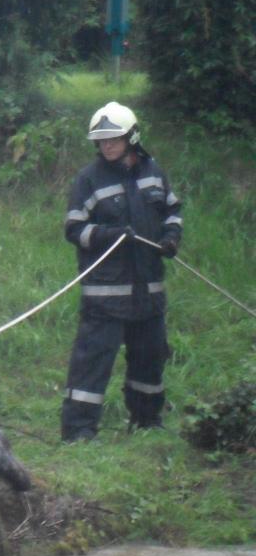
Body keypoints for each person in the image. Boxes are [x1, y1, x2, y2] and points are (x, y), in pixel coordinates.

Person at [61, 102, 182, 442]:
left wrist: (171, 238)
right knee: (92, 363)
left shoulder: (154, 173)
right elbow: (74, 229)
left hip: (149, 291)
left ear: (132, 138)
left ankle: (146, 421)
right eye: (101, 141)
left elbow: (173, 211)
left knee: (150, 358)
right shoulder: (89, 179)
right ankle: (79, 430)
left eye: (113, 139)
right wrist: (108, 235)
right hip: (105, 295)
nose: (107, 145)